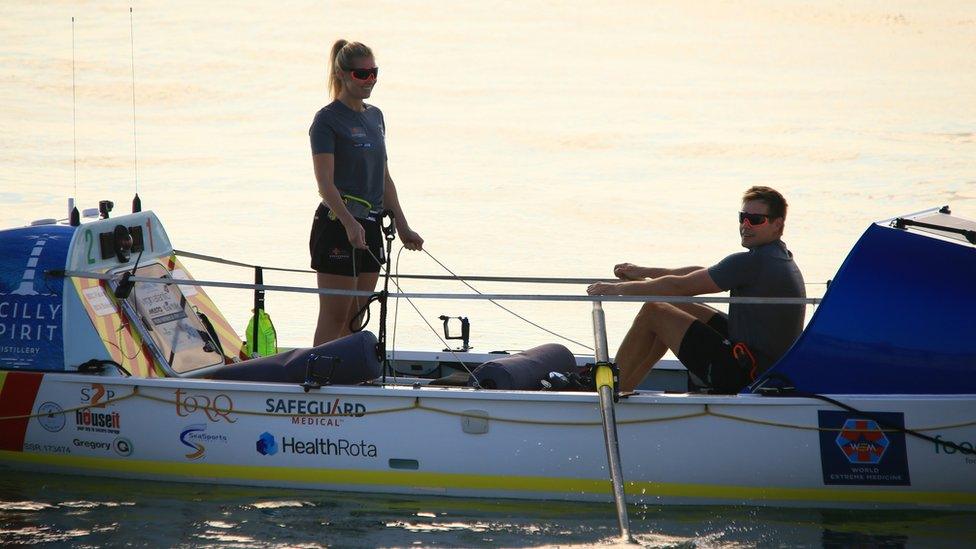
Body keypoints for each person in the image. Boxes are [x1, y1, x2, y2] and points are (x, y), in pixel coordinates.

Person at [587, 186, 805, 393]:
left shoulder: (753, 262)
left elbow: (680, 286)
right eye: (742, 217)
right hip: (756, 362)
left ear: (777, 224)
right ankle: (622, 388)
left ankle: (604, 393)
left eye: (755, 220)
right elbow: (701, 274)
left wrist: (616, 288)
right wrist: (644, 271)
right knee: (672, 304)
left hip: (747, 375)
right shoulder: (777, 255)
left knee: (654, 311)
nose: (745, 225)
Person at [309, 40, 423, 345]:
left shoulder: (376, 116)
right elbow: (325, 185)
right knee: (334, 317)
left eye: (374, 72)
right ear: (342, 75)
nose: (369, 80)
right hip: (338, 225)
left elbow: (384, 178)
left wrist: (403, 225)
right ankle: (319, 382)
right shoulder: (326, 120)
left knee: (356, 318)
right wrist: (348, 223)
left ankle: (349, 383)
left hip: (370, 226)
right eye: (362, 74)